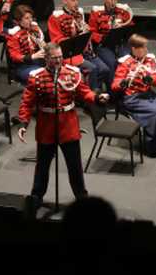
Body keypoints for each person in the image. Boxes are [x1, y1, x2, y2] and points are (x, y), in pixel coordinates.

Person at [17, 43, 110, 206]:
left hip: (68, 125)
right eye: (54, 58)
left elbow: (83, 91)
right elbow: (27, 101)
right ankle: (37, 196)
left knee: (75, 166)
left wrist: (96, 97)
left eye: (60, 57)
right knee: (42, 166)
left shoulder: (73, 73)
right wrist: (24, 123)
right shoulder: (36, 76)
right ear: (46, 58)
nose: (59, 60)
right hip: (46, 126)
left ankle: (82, 198)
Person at [112, 34, 156, 156]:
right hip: (133, 99)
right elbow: (114, 85)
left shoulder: (149, 59)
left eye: (146, 47)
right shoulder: (125, 63)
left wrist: (147, 78)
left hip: (148, 94)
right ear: (134, 49)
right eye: (143, 48)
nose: (146, 50)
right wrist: (126, 81)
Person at [48, 0, 111, 91]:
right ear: (65, 1)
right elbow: (57, 40)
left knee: (105, 70)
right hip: (71, 53)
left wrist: (87, 30)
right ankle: (90, 95)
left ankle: (93, 89)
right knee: (92, 69)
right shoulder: (55, 17)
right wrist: (75, 36)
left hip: (86, 50)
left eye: (77, 0)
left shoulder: (79, 14)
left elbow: (86, 32)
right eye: (73, 0)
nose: (76, 3)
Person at [88, 0, 134, 75]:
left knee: (126, 60)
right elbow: (91, 32)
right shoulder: (96, 12)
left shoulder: (123, 10)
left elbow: (130, 28)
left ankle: (126, 86)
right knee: (112, 62)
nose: (113, 2)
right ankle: (112, 88)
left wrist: (122, 27)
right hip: (104, 44)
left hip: (121, 43)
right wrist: (103, 38)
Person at [6, 4, 47, 84]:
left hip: (37, 61)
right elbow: (15, 56)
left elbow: (43, 43)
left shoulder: (34, 28)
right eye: (27, 18)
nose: (30, 20)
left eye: (31, 17)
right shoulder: (14, 35)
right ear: (19, 20)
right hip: (22, 66)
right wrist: (32, 56)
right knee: (42, 77)